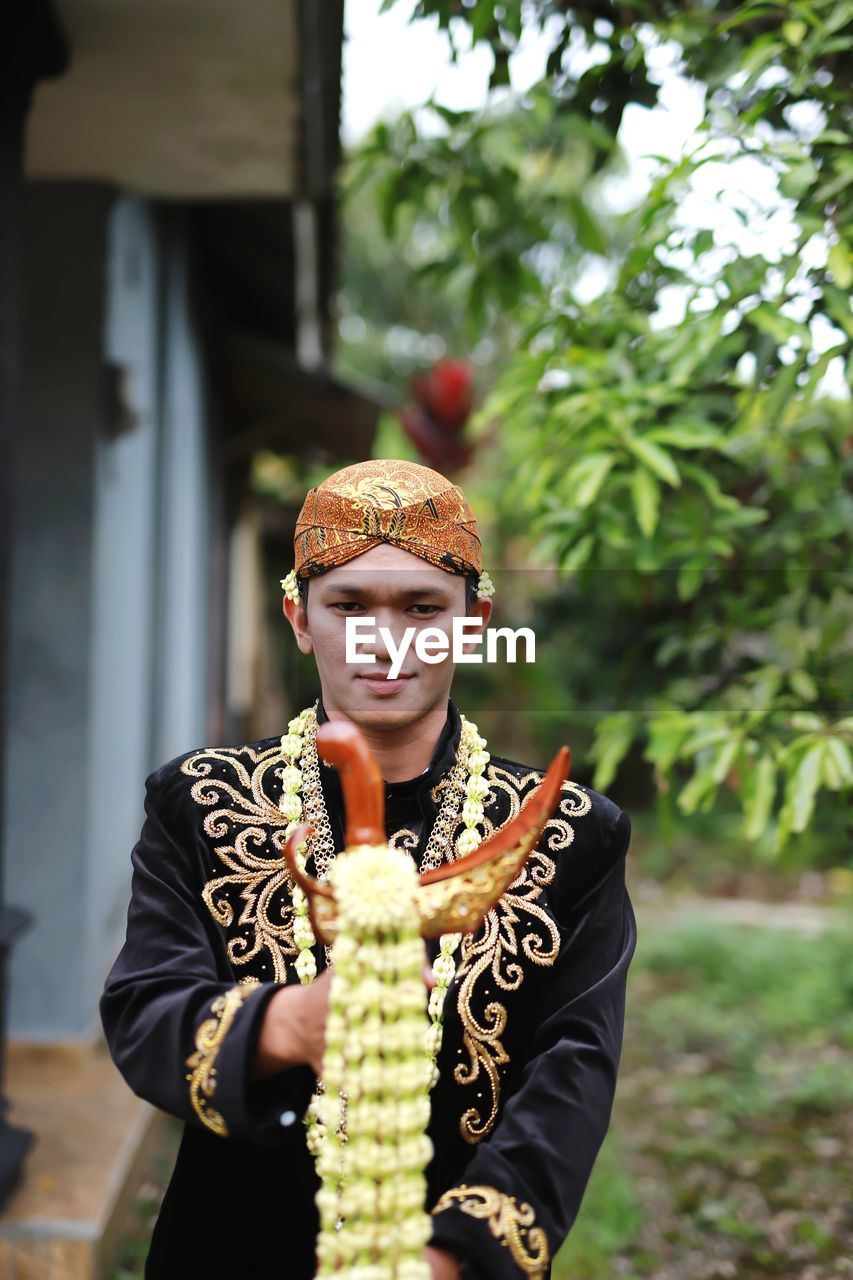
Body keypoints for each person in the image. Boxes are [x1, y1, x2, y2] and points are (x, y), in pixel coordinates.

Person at [101, 458, 637, 1280]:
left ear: (473, 619)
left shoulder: (567, 833)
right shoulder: (200, 803)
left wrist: (448, 1261)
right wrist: (291, 1024)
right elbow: (145, 1011)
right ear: (298, 617)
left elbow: (570, 1073)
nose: (385, 641)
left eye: (422, 607)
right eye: (348, 606)